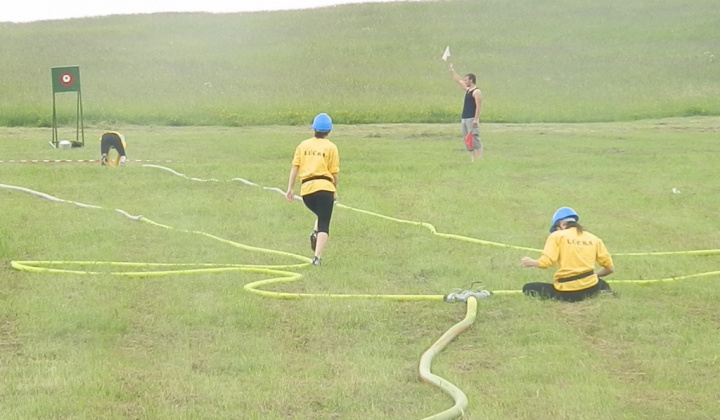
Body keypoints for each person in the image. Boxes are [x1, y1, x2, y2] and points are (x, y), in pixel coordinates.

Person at [520, 207, 615, 302]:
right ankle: (605, 293)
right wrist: (592, 276)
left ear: (561, 224)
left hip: (566, 291)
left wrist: (531, 262)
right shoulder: (594, 239)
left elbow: (546, 263)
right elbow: (610, 269)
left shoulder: (556, 236)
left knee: (528, 288)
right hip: (590, 288)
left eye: (556, 228)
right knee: (602, 284)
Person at [285, 113, 340, 266]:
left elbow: (295, 167)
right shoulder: (331, 147)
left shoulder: (303, 145)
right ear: (329, 130)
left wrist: (290, 188)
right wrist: (334, 191)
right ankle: (317, 258)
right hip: (325, 188)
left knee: (321, 213)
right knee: (324, 221)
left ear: (314, 128)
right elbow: (334, 174)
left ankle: (315, 232)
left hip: (306, 191)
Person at [449, 63, 483, 161]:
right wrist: (452, 70)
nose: (464, 81)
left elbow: (478, 106)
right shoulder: (468, 90)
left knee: (474, 138)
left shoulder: (476, 92)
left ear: (471, 80)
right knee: (467, 139)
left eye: (466, 80)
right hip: (465, 118)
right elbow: (458, 80)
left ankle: (479, 158)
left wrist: (476, 119)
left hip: (472, 118)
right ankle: (472, 158)